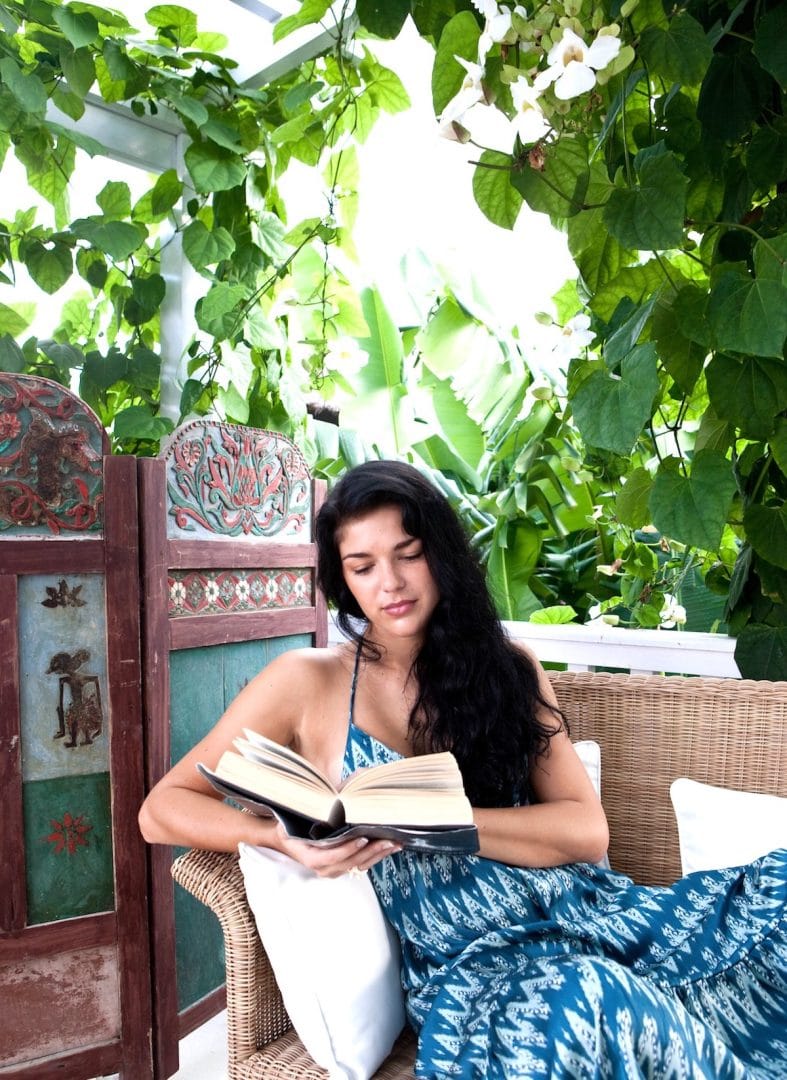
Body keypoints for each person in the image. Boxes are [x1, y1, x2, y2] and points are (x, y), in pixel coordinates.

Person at [140, 460, 787, 1079]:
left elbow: (587, 834)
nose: (387, 583)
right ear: (342, 580)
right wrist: (274, 837)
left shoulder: (509, 668)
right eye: (361, 566)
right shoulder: (306, 683)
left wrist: (446, 821)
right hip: (482, 963)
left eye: (407, 553)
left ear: (441, 552)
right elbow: (161, 808)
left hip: (593, 914)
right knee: (583, 999)